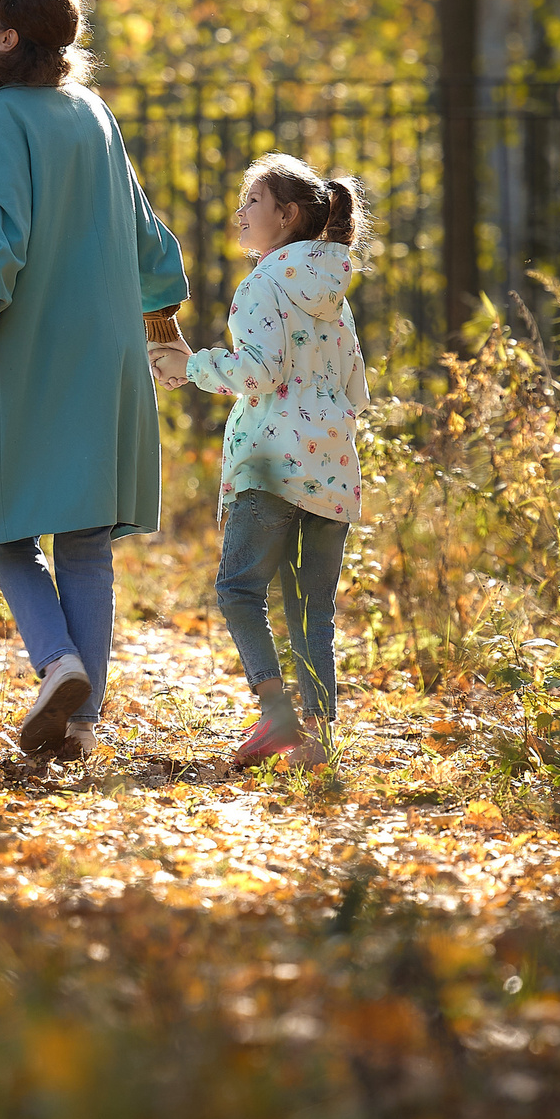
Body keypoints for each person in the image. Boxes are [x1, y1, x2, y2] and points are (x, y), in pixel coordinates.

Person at [0, 0, 190, 762]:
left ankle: (57, 659)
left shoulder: (5, 113)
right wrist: (161, 309)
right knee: (84, 539)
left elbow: (6, 226)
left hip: (32, 342)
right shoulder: (94, 111)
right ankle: (79, 722)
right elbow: (146, 230)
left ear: (7, 38)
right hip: (105, 344)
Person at [180, 154, 371, 770]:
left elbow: (256, 373)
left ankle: (274, 705)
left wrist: (191, 367)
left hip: (269, 462)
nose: (240, 214)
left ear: (286, 216)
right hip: (332, 466)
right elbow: (355, 386)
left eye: (252, 203)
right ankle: (316, 740)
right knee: (312, 606)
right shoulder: (332, 290)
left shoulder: (262, 283)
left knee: (239, 590)